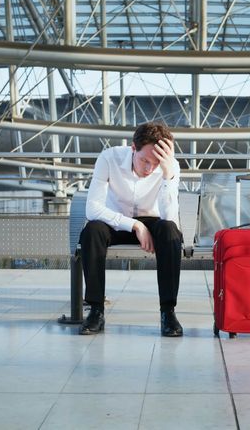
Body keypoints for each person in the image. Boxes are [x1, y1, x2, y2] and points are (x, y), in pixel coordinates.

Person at [79, 121, 183, 337]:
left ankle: (168, 312)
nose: (149, 169)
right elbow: (93, 208)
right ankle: (96, 310)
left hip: (154, 222)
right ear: (133, 148)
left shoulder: (169, 166)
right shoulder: (109, 158)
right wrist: (135, 225)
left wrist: (167, 175)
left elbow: (170, 217)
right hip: (116, 221)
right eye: (145, 160)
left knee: (170, 231)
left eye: (155, 164)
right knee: (92, 231)